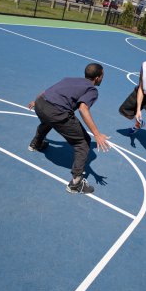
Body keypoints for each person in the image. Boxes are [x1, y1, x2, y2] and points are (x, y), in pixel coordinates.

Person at [28, 63, 110, 194]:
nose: (102, 78)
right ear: (97, 78)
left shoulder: (69, 79)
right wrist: (97, 134)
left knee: (49, 119)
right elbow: (83, 108)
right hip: (56, 112)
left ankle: (36, 143)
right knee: (83, 142)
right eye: (102, 76)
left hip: (41, 104)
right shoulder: (92, 90)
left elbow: (47, 91)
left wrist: (35, 102)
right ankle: (76, 184)